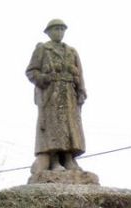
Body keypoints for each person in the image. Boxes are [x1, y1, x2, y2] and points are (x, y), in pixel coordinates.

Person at [26, 19, 87, 173]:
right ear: (48, 32)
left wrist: (81, 91)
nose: (59, 32)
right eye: (55, 29)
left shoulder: (72, 51)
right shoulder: (43, 49)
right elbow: (31, 72)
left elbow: (80, 73)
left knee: (70, 126)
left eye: (61, 29)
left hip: (69, 95)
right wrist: (43, 79)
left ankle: (68, 159)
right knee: (53, 127)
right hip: (51, 94)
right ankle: (54, 161)